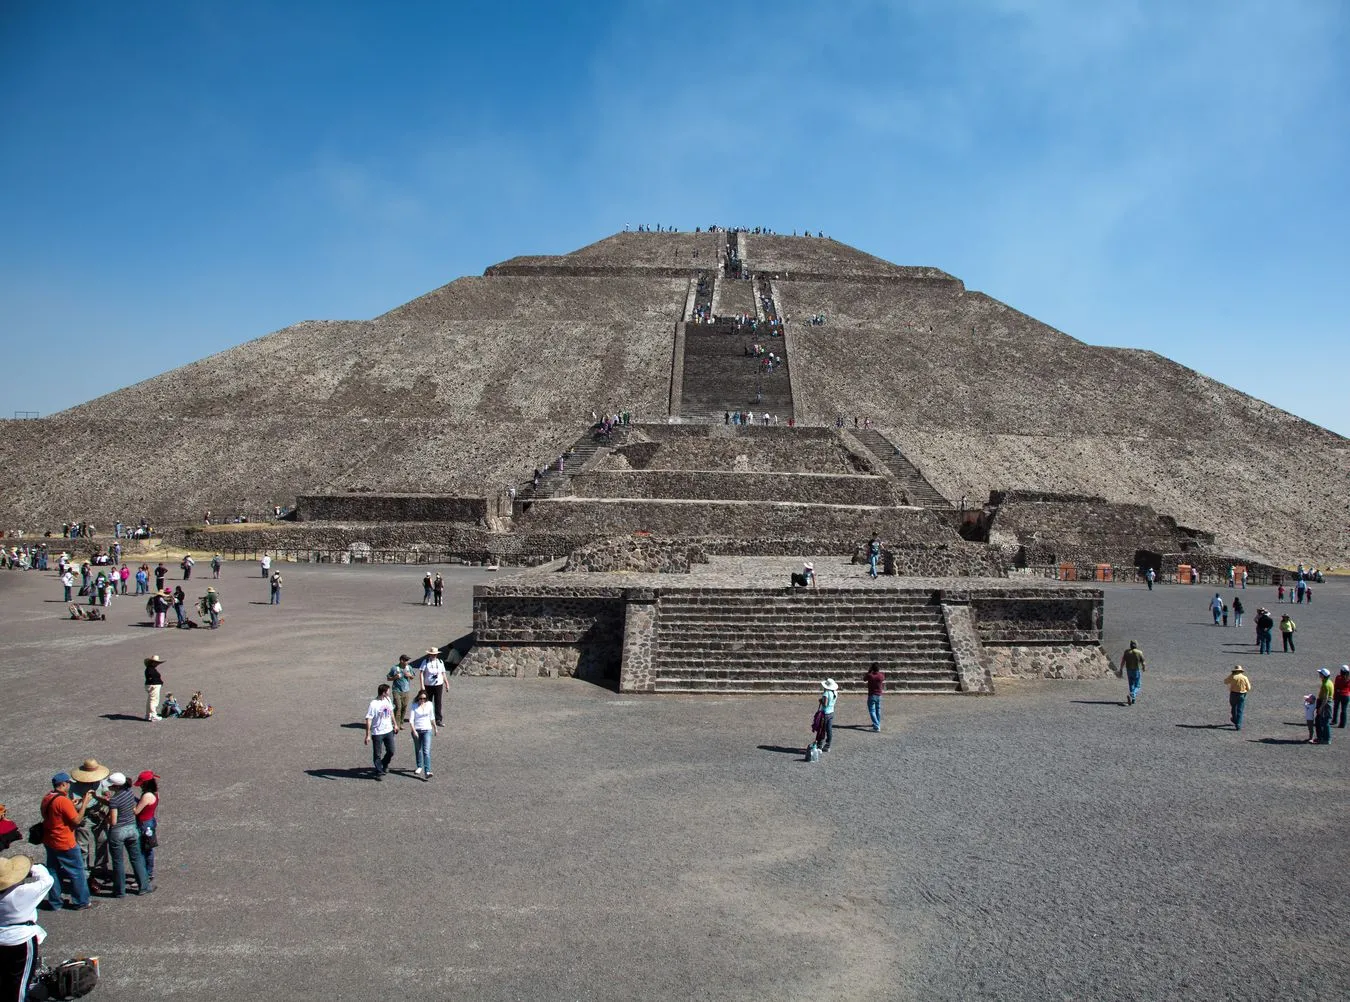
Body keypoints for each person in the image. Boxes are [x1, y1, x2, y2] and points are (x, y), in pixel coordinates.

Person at [0, 856, 55, 999]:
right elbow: (47, 880)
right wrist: (33, 868)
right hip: (20, 941)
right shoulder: (21, 893)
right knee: (20, 984)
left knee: (4, 980)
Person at [40, 773, 92, 910]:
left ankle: (55, 902)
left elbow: (54, 814)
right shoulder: (63, 801)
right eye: (69, 783)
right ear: (63, 784)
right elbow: (77, 820)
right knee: (77, 871)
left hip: (50, 840)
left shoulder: (47, 797)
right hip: (64, 841)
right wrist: (84, 804)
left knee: (53, 871)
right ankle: (82, 901)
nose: (70, 785)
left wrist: (70, 805)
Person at [104, 773, 152, 897]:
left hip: (118, 831)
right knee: (136, 858)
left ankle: (120, 891)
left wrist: (103, 817)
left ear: (115, 786)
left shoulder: (114, 800)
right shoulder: (129, 792)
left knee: (118, 862)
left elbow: (113, 821)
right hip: (132, 829)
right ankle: (144, 886)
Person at [363, 684, 398, 780]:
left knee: (391, 751)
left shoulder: (388, 700)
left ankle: (384, 763)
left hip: (388, 730)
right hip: (377, 732)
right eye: (388, 691)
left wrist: (395, 724)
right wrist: (368, 735)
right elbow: (368, 719)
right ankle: (379, 771)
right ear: (383, 693)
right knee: (377, 753)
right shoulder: (373, 704)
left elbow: (391, 712)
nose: (389, 692)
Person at [133, 771, 160, 881]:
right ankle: (149, 872)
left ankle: (147, 873)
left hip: (144, 824)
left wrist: (123, 803)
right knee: (148, 848)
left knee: (144, 849)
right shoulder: (155, 793)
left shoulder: (146, 796)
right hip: (150, 821)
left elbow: (136, 811)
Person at [408, 689, 439, 779]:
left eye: (424, 699)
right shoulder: (414, 706)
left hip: (427, 730)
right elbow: (411, 720)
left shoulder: (429, 704)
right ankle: (419, 766)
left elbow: (432, 717)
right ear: (418, 698)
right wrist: (414, 731)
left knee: (426, 751)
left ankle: (427, 771)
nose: (422, 700)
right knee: (418, 749)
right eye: (421, 698)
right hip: (417, 730)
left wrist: (435, 728)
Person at [386, 655, 416, 728]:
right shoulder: (395, 668)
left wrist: (409, 675)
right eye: (406, 660)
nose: (407, 662)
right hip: (396, 690)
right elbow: (388, 678)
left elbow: (413, 677)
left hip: (406, 690)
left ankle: (401, 722)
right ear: (401, 661)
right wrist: (395, 677)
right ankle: (396, 724)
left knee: (404, 707)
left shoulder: (409, 668)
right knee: (398, 707)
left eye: (408, 660)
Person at [420, 649, 447, 727]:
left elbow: (443, 673)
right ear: (429, 654)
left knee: (438, 702)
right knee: (427, 702)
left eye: (435, 654)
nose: (434, 655)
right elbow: (421, 673)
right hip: (428, 685)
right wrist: (422, 685)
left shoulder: (440, 662)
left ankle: (438, 719)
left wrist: (447, 683)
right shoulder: (425, 662)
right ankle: (426, 717)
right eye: (432, 654)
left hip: (438, 684)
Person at [1224, 666, 1251, 731]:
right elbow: (1249, 688)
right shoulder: (1245, 677)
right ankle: (1238, 724)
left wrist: (1231, 675)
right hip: (1242, 694)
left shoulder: (1233, 676)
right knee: (1240, 709)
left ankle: (1234, 719)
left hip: (1233, 694)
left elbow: (1225, 682)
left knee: (1233, 707)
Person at [816, 679, 838, 752]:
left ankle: (819, 746)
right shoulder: (835, 692)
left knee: (822, 730)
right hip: (831, 712)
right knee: (829, 730)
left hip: (825, 713)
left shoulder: (826, 693)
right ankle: (828, 745)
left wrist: (820, 701)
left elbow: (825, 704)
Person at [1313, 668, 1333, 745]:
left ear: (1323, 676)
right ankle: (1322, 738)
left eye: (1320, 673)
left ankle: (1326, 739)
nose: (1319, 674)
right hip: (1326, 703)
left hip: (1325, 704)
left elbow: (1325, 698)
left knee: (1325, 722)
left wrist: (1321, 708)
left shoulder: (1326, 685)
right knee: (1323, 721)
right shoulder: (1328, 682)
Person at [864, 663, 885, 732]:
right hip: (879, 695)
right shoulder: (881, 675)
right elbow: (883, 679)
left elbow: (864, 679)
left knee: (872, 710)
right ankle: (877, 723)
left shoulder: (870, 676)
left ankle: (876, 726)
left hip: (872, 695)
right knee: (877, 710)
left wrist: (869, 671)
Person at [144, 655, 165, 722]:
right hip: (153, 686)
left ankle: (148, 715)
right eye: (156, 662)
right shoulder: (150, 669)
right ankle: (153, 716)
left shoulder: (150, 668)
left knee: (150, 700)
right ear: (152, 662)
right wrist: (154, 683)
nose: (157, 664)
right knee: (154, 701)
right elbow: (150, 677)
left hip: (152, 685)